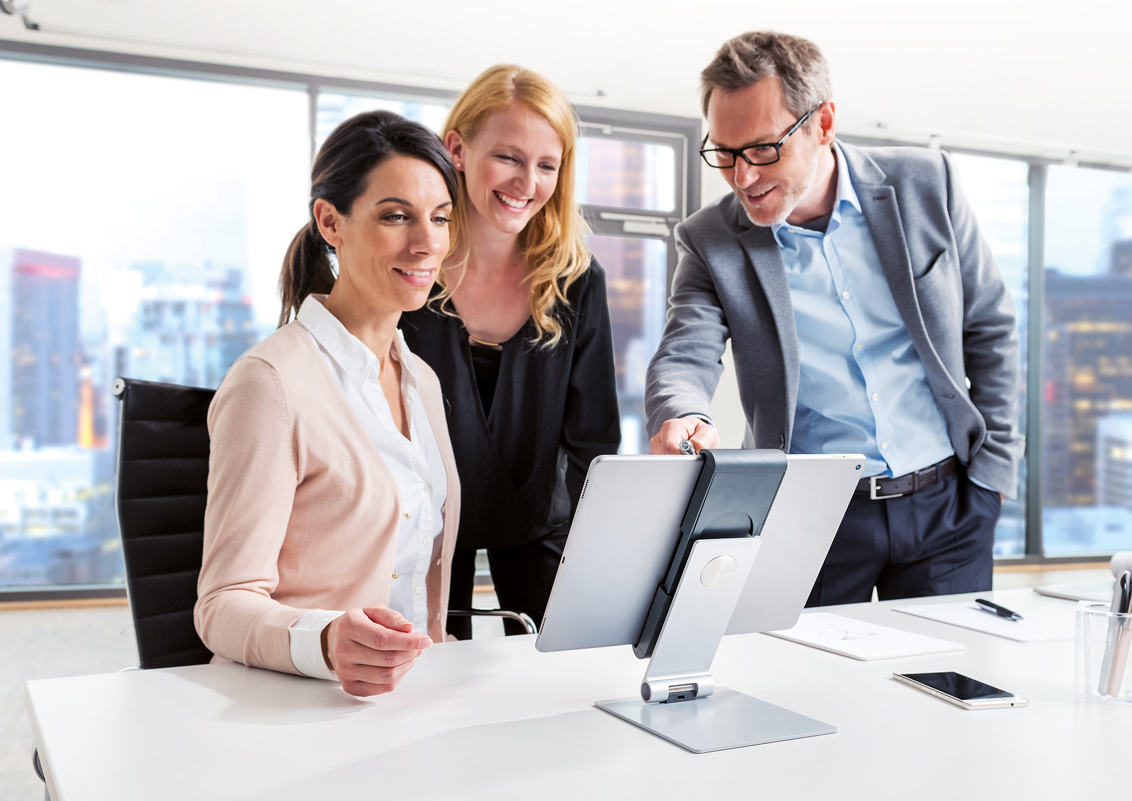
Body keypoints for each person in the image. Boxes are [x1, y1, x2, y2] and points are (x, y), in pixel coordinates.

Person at [645, 32, 1021, 606]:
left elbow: (990, 327)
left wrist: (992, 479)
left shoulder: (926, 184)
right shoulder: (711, 239)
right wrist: (684, 413)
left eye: (763, 149)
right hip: (811, 519)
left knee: (941, 689)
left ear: (823, 124)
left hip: (949, 509)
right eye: (724, 152)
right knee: (812, 690)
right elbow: (685, 352)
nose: (742, 176)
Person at [195, 111, 461, 697]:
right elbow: (222, 605)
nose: (426, 243)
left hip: (412, 699)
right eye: (396, 216)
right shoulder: (270, 382)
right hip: (300, 705)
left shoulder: (422, 380)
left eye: (440, 218)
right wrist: (325, 640)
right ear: (330, 221)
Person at [400, 65, 621, 638]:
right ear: (458, 149)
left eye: (547, 165)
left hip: (538, 522)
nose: (527, 181)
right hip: (419, 525)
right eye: (509, 157)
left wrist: (597, 554)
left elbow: (592, 435)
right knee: (424, 685)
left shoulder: (575, 279)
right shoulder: (410, 266)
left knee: (565, 675)